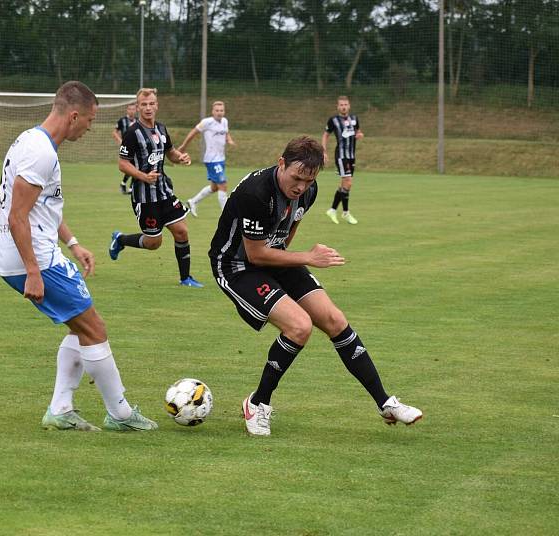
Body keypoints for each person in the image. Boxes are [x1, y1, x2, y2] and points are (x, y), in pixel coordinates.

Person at [209, 136, 422, 436]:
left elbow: (286, 234)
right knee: (299, 326)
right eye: (296, 178)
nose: (301, 187)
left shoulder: (308, 191)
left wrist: (293, 259)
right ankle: (257, 404)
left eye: (309, 181)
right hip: (236, 266)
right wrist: (308, 258)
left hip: (273, 257)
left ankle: (385, 402)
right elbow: (255, 254)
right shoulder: (256, 193)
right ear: (281, 163)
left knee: (334, 320)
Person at [0, 81, 158, 433]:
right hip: (33, 258)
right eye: (89, 119)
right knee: (94, 328)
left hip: (35, 253)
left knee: (79, 326)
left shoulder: (32, 141)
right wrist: (33, 271)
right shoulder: (41, 153)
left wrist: (73, 243)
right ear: (72, 115)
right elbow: (17, 216)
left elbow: (41, 209)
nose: (90, 127)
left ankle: (61, 408)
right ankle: (121, 414)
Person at [109, 88, 204, 288]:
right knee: (154, 243)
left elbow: (170, 152)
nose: (148, 108)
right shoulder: (132, 133)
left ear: (157, 105)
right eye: (143, 104)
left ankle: (185, 278)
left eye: (151, 103)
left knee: (181, 231)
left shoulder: (161, 128)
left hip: (164, 192)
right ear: (138, 107)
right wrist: (143, 176)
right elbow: (122, 164)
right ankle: (120, 240)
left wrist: (181, 157)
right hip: (144, 197)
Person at [178, 100, 235, 216]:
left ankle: (192, 201)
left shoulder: (224, 121)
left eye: (221, 110)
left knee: (214, 188)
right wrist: (183, 146)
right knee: (223, 185)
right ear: (212, 112)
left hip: (220, 159)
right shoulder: (207, 122)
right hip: (212, 159)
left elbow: (226, 133)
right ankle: (227, 215)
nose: (219, 112)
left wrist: (229, 140)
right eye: (217, 110)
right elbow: (193, 133)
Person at [322, 96, 363, 225]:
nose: (343, 106)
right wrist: (323, 151)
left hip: (351, 156)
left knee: (345, 184)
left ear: (349, 106)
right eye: (341, 105)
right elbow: (326, 135)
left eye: (345, 104)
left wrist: (359, 135)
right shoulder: (333, 120)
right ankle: (345, 212)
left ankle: (332, 210)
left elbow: (358, 132)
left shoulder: (355, 119)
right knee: (348, 182)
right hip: (341, 155)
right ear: (338, 106)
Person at [112, 102, 138, 195]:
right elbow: (114, 132)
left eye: (133, 109)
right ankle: (127, 186)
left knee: (135, 166)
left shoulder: (138, 121)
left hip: (137, 148)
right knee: (131, 166)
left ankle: (128, 186)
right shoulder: (122, 120)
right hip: (126, 148)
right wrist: (120, 141)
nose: (131, 111)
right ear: (127, 110)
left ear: (136, 110)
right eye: (130, 109)